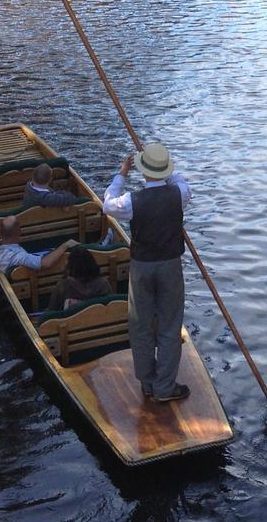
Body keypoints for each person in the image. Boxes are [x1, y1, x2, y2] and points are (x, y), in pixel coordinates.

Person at [102, 142, 192, 403]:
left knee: (140, 325)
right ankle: (165, 387)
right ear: (165, 170)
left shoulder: (132, 200)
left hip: (142, 267)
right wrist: (167, 170)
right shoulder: (180, 194)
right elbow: (180, 182)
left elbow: (107, 206)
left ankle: (149, 384)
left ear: (143, 172)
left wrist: (121, 173)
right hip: (170, 266)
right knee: (169, 324)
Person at [0, 215, 75, 276]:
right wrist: (65, 245)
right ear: (18, 232)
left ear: (1, 233)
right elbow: (46, 263)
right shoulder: (18, 257)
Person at [47, 245, 114, 311]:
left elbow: (50, 314)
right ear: (92, 263)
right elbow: (112, 308)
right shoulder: (104, 284)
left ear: (71, 267)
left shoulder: (62, 287)